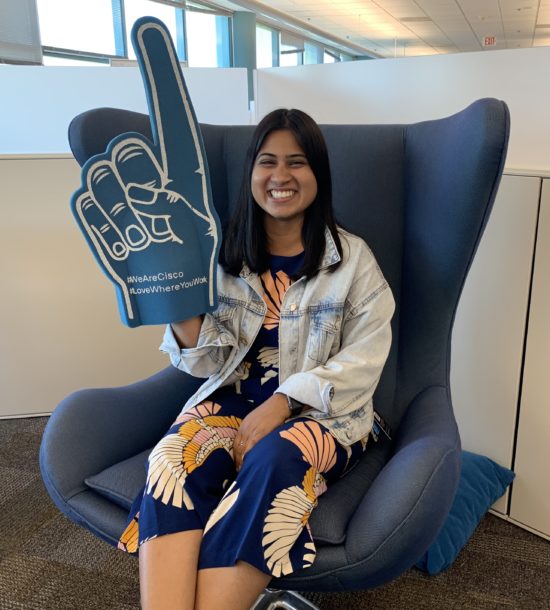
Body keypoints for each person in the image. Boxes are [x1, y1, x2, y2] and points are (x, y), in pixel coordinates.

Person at [117, 108, 395, 610]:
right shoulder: (221, 256)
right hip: (229, 402)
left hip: (325, 417)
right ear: (251, 174)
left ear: (318, 175)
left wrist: (284, 403)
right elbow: (204, 363)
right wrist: (174, 300)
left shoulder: (352, 260)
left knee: (274, 460)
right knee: (173, 460)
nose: (281, 176)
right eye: (268, 162)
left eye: (297, 162)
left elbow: (365, 359)